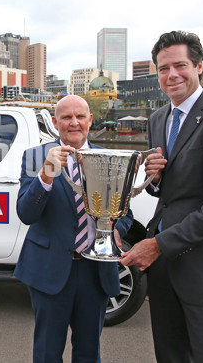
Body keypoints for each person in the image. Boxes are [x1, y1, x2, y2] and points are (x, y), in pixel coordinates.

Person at [120, 31, 203, 362]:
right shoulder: (158, 118)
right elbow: (164, 193)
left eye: (180, 65)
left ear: (199, 67)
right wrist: (153, 177)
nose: (171, 75)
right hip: (165, 274)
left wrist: (157, 244)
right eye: (163, 69)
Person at [14, 95, 133, 362]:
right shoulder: (35, 157)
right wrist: (46, 174)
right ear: (56, 123)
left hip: (95, 271)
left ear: (90, 120)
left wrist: (117, 231)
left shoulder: (109, 157)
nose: (74, 123)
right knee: (47, 351)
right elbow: (26, 213)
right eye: (66, 117)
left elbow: (126, 212)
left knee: (89, 352)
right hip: (49, 268)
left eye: (80, 116)